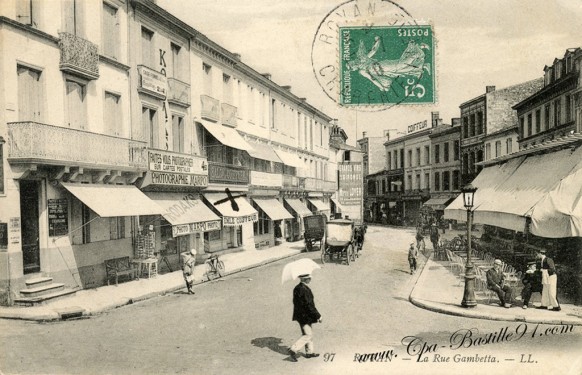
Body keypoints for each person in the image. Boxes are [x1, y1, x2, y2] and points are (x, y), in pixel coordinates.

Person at [289, 274, 322, 362]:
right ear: (306, 279)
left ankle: (309, 352)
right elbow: (309, 305)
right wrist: (318, 316)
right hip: (305, 316)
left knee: (308, 333)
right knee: (308, 335)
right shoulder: (305, 290)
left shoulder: (297, 288)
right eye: (309, 278)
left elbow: (295, 302)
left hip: (300, 315)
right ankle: (293, 349)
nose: (310, 279)